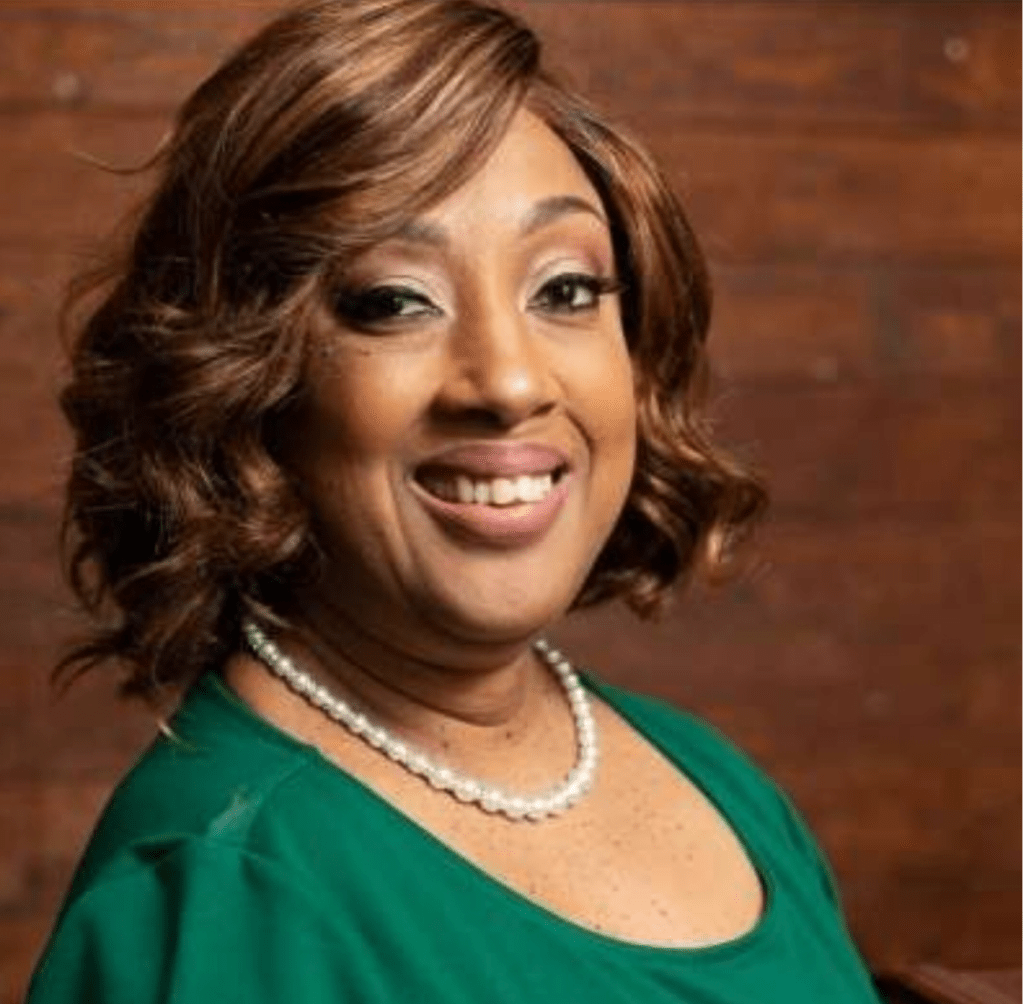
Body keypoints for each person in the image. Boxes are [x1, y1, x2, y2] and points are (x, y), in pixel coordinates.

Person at [27, 1, 883, 1001]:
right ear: (245, 381)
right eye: (394, 300)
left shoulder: (721, 785)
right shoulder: (214, 903)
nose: (509, 381)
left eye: (564, 289)